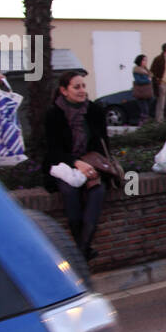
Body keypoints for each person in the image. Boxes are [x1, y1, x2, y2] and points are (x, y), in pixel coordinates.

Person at [42, 70, 111, 261]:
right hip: (63, 164)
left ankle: (81, 249)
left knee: (96, 191)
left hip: (91, 162)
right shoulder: (53, 114)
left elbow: (103, 143)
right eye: (76, 87)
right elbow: (52, 150)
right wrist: (75, 162)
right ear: (64, 91)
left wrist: (96, 166)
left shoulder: (95, 111)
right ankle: (83, 249)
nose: (82, 90)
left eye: (83, 86)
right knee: (70, 192)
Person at [151, 43, 166, 122]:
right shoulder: (159, 59)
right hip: (162, 83)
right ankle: (159, 120)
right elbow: (152, 71)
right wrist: (158, 80)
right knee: (161, 103)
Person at [131, 53, 154, 122]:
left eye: (146, 60)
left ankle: (144, 122)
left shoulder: (146, 70)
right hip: (141, 93)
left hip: (148, 92)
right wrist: (148, 80)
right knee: (144, 109)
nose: (145, 62)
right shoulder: (137, 70)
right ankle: (143, 123)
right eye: (144, 60)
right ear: (140, 61)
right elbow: (138, 81)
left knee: (147, 108)